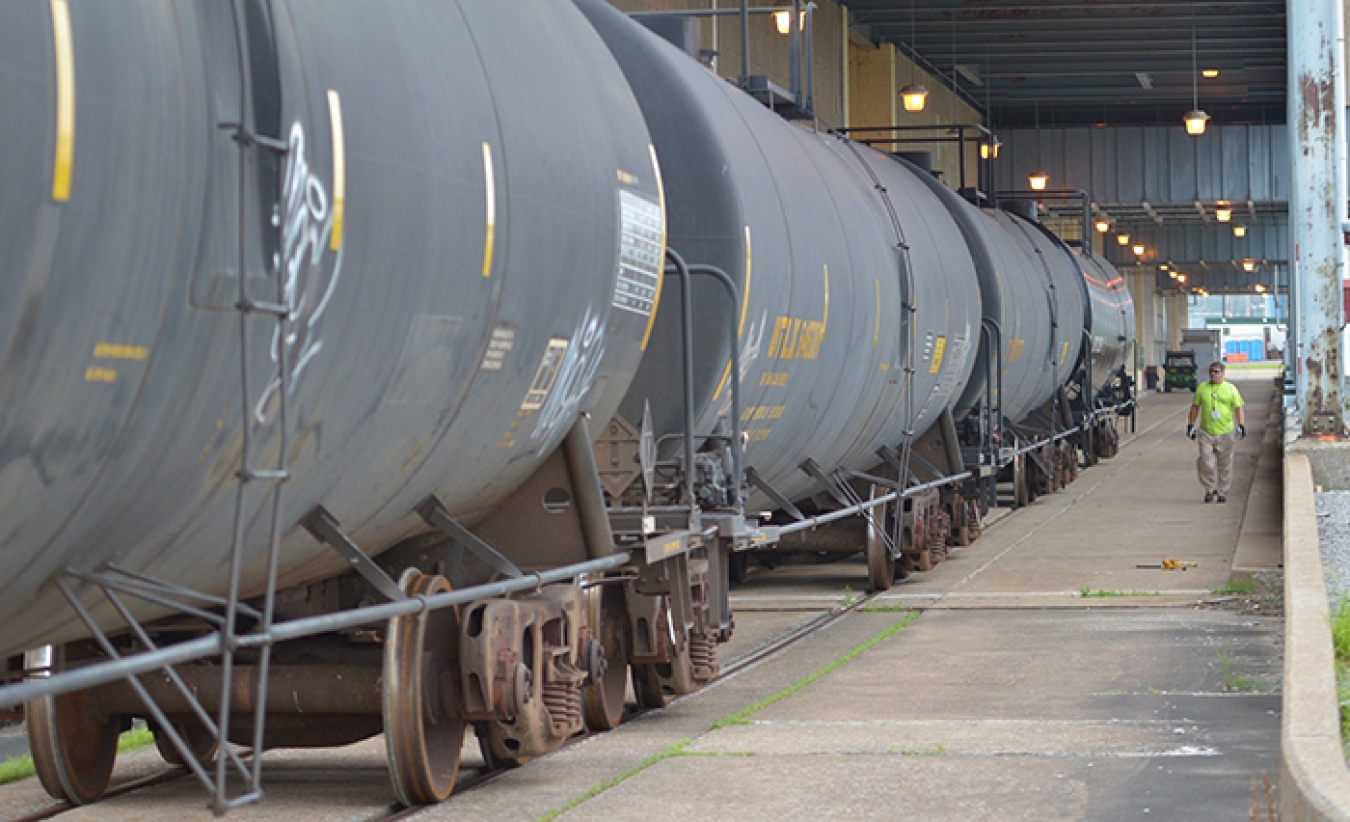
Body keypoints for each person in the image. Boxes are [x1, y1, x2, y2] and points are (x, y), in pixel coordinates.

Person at [1186, 361, 1246, 503]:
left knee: (1225, 464)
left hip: (1225, 431)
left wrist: (1241, 425)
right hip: (1206, 432)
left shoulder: (1231, 389)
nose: (1213, 374)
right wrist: (1190, 425)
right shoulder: (1202, 388)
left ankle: (1222, 491)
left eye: (1217, 371)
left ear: (1223, 373)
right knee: (1206, 461)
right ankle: (1209, 488)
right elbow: (1195, 408)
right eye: (1211, 371)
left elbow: (1238, 408)